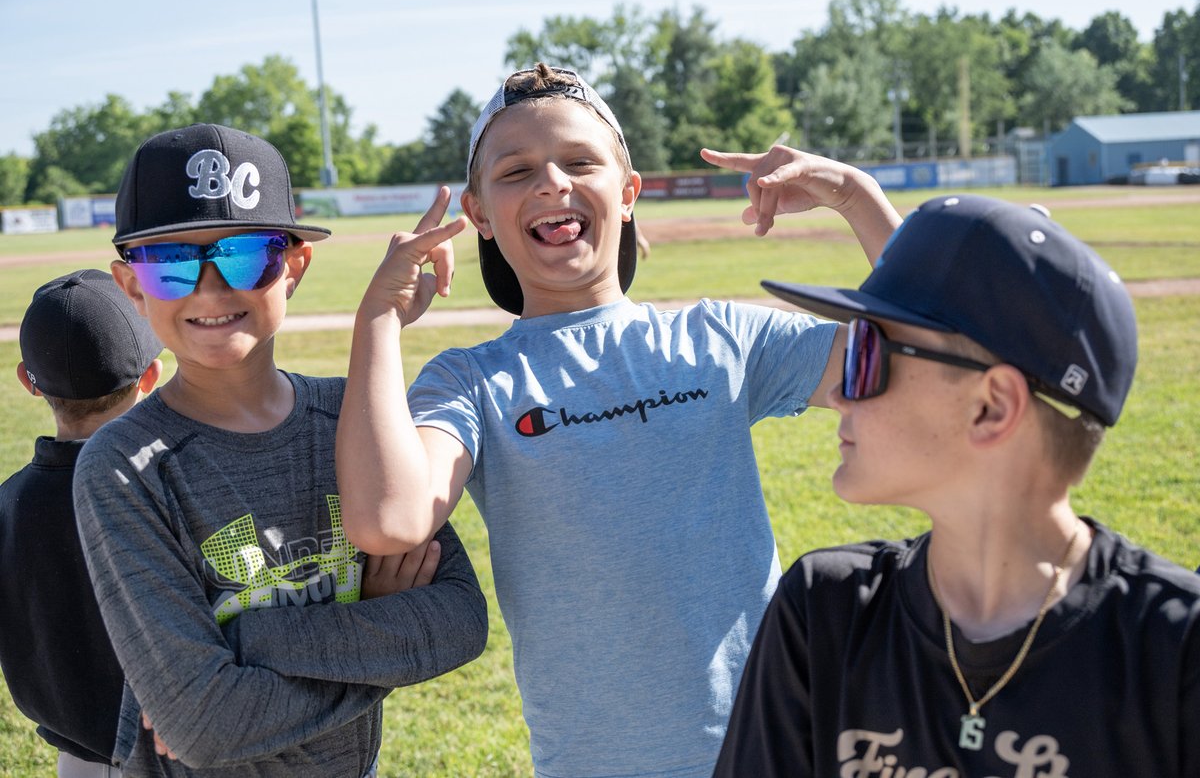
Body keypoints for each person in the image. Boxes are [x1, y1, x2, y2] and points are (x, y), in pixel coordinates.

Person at [335, 64, 903, 778]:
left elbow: (906, 362)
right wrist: (379, 319)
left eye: (579, 162)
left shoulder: (719, 339)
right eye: (516, 171)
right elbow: (389, 516)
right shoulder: (471, 381)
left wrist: (857, 198)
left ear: (628, 193)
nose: (552, 184)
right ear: (478, 212)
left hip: (777, 747)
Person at [713, 193, 1200, 776]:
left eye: (867, 353)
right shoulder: (824, 612)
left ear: (992, 407)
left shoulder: (1173, 649)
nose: (839, 393)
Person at [72, 123, 488, 777]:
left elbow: (458, 620)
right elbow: (203, 725)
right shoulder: (125, 466)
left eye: (245, 255)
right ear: (131, 286)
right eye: (172, 262)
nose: (211, 289)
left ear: (293, 267)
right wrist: (380, 635)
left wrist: (251, 643)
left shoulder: (352, 417)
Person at [0, 269, 163, 778]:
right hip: (176, 746)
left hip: (79, 757)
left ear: (29, 381)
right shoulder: (168, 488)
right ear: (151, 376)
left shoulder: (10, 502)